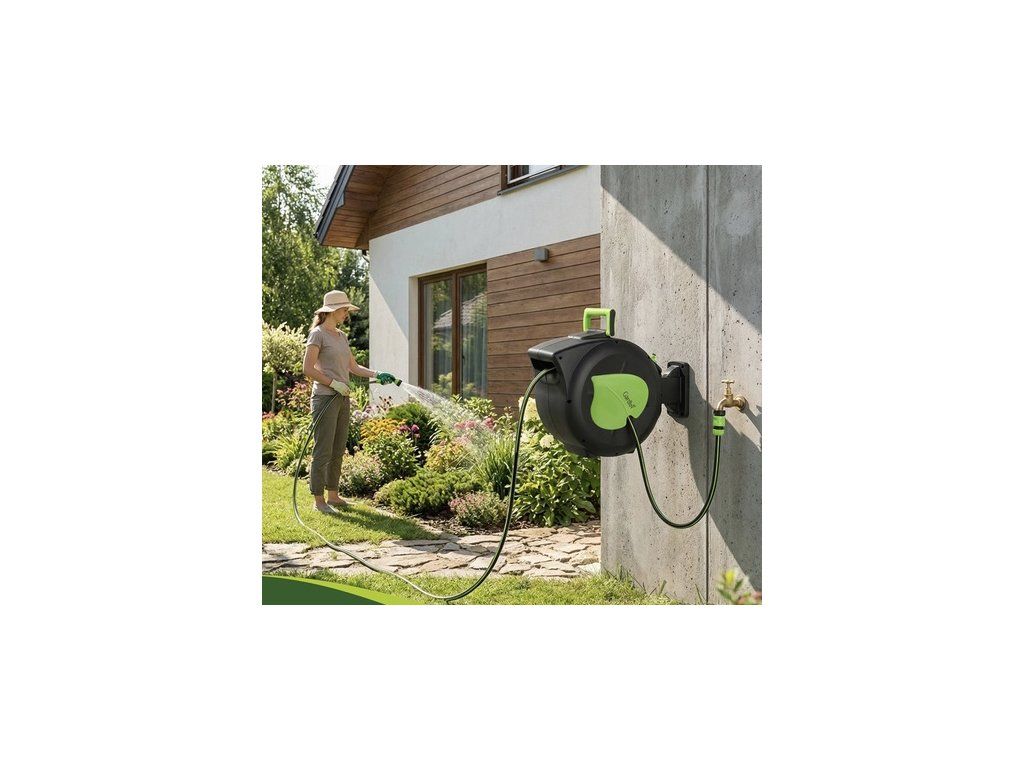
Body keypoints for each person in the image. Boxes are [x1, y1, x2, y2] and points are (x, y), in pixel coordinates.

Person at [302, 290, 396, 512]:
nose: (347, 314)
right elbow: (307, 369)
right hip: (325, 398)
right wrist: (333, 383)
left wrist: (377, 374)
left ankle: (333, 495)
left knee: (338, 448)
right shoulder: (317, 334)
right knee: (323, 449)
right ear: (332, 311)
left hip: (342, 397)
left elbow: (353, 367)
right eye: (345, 310)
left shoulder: (341, 336)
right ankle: (318, 500)